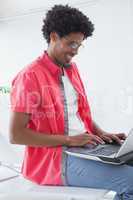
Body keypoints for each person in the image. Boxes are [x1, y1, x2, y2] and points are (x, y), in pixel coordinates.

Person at [9, 4, 133, 200]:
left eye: (79, 45)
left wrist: (101, 134)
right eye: (72, 44)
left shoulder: (71, 70)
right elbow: (16, 135)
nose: (76, 51)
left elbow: (79, 115)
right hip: (55, 160)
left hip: (84, 148)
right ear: (53, 37)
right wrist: (70, 140)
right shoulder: (29, 77)